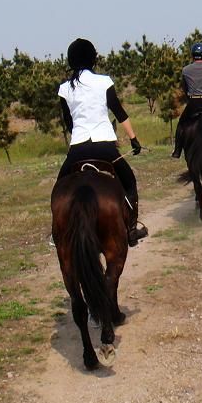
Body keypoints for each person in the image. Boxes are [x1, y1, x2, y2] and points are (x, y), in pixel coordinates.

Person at [57, 37, 148, 247]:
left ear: (71, 61)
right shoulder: (104, 82)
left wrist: (80, 133)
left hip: (78, 149)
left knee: (59, 188)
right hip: (105, 147)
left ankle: (57, 232)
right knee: (129, 181)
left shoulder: (64, 89)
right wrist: (133, 139)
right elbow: (120, 113)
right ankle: (132, 228)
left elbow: (69, 122)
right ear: (92, 59)